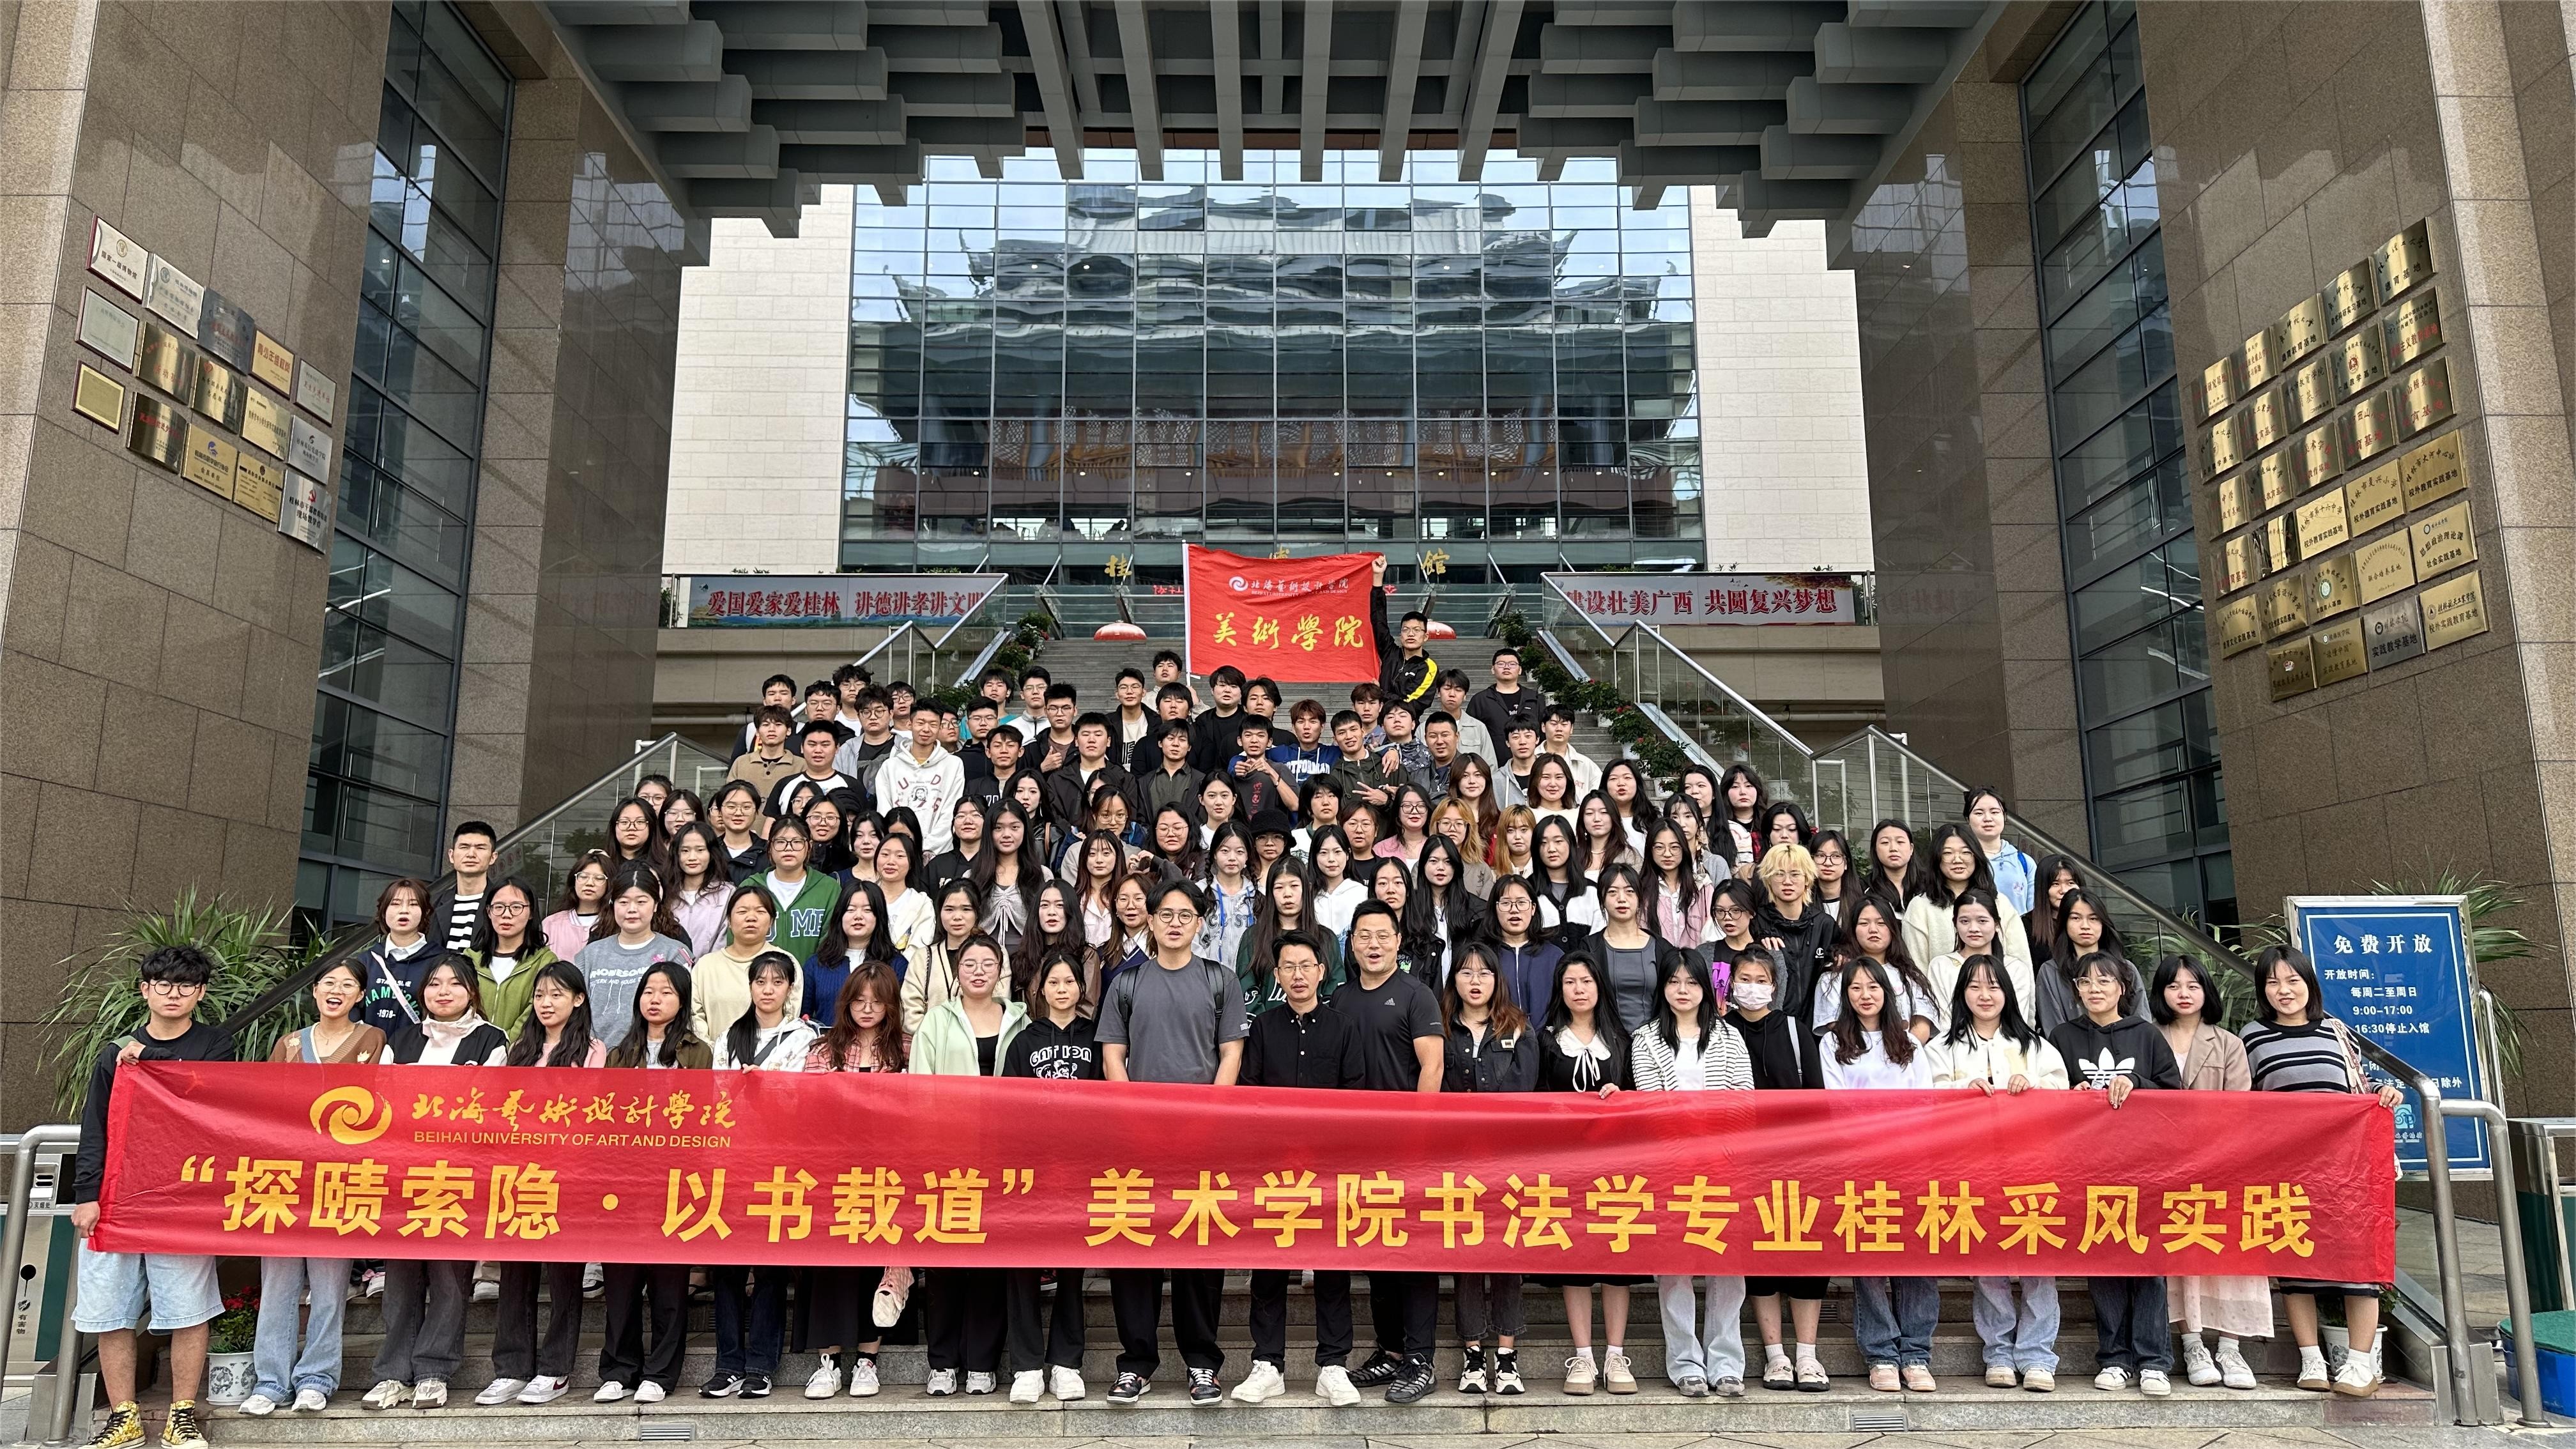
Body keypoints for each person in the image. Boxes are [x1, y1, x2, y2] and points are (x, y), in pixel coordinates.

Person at [65, 944, 229, 1449]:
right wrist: (87, 1194)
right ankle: (124, 1418)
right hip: (116, 1195)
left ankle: (182, 1415)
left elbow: (208, 1097)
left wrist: (149, 1059)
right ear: (145, 990)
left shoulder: (215, 1045)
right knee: (109, 1310)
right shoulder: (114, 1052)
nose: (173, 994)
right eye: (163, 984)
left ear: (201, 993)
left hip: (184, 1195)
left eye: (185, 985)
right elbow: (95, 1127)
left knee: (189, 1308)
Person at [1097, 880, 1248, 1403]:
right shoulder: (1127, 983)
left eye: (1186, 915)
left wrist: (1209, 1116)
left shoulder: (1220, 980)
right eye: (1166, 914)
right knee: (1134, 1246)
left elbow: (1231, 1054)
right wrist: (1135, 1118)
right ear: (1150, 920)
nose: (1176, 923)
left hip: (1204, 1137)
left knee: (1199, 1252)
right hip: (1137, 1138)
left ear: (1199, 923)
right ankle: (1135, 1363)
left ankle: (1202, 1363)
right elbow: (1113, 1056)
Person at [2239, 946, 2405, 1397]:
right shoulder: (2251, 1037)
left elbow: (2358, 1086)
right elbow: (2243, 1100)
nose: (2284, 990)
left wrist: (2384, 1093)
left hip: (2344, 1170)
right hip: (2285, 1166)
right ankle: (2311, 1359)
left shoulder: (2337, 1032)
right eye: (2273, 982)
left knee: (2358, 1262)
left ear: (2309, 984)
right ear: (2262, 990)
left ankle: (2360, 1365)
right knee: (2293, 1263)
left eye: (2292, 980)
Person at [1230, 928, 1368, 1407]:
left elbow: (1355, 1095)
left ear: (1322, 971)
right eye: (1288, 967)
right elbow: (1250, 1094)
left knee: (1332, 1267)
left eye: (1306, 965)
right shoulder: (1263, 1028)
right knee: (1269, 1268)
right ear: (1277, 974)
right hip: (1275, 1169)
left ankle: (1333, 1365)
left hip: (1330, 1169)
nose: (1298, 975)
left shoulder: (1343, 1027)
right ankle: (1268, 1364)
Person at [359, 955, 504, 1411]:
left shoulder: (491, 1040)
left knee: (448, 1278)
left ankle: (434, 1371)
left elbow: (488, 1106)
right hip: (403, 1173)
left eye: (455, 984)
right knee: (401, 1279)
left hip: (457, 1175)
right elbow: (382, 1102)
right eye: (435, 983)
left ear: (471, 992)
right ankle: (392, 1373)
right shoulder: (401, 1039)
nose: (444, 992)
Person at [242, 956, 381, 1404]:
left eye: (348, 984)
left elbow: (382, 1103)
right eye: (328, 983)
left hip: (341, 1178)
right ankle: (270, 1381)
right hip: (285, 1177)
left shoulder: (373, 1039)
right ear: (315, 991)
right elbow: (265, 1106)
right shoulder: (288, 1044)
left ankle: (317, 1379)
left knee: (329, 1286)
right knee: (278, 1284)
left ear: (361, 995)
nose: (336, 991)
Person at [1327, 900, 1449, 1403]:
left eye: (1383, 935)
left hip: (1408, 1147)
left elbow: (1433, 1067)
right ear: (1351, 943)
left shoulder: (1416, 994)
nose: (1373, 944)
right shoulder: (1339, 997)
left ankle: (1420, 1359)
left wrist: (1417, 1135)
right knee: (1376, 1248)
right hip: (1356, 1149)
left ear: (1398, 942)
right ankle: (1391, 1351)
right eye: (1364, 936)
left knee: (1413, 1253)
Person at [1930, 954, 2070, 1393]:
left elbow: (2063, 1091)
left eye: (1993, 986)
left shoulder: (2035, 1046)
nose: (1985, 995)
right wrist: (1963, 1090)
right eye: (1974, 987)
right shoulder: (1943, 1047)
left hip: (2032, 1166)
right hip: (1973, 1167)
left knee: (2037, 1258)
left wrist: (2033, 1087)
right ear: (1961, 994)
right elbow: (1927, 1095)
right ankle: (1999, 1354)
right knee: (1988, 1260)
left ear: (2008, 992)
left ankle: (2038, 1355)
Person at [2048, 950, 2182, 1397]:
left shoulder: (2147, 1035)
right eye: (2085, 982)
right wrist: (2071, 1096)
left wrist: (2138, 1085)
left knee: (2148, 1260)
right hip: (2088, 1165)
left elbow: (2176, 1096)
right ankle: (2114, 1358)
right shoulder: (2062, 1037)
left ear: (2122, 988)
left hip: (2144, 1164)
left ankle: (2154, 1360)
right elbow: (2047, 1098)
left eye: (2104, 981)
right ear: (2076, 990)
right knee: (2103, 1259)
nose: (2095, 989)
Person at [479, 962, 603, 1408]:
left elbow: (588, 1110)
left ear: (578, 999)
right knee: (516, 1274)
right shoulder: (519, 1049)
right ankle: (511, 1368)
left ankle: (555, 1369)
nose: (546, 1004)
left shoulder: (593, 1050)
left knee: (564, 1276)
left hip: (568, 1175)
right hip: (518, 1175)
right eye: (539, 996)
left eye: (556, 995)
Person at [1633, 951, 1755, 1399]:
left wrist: (1713, 1141)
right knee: (1674, 1268)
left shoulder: (1729, 1036)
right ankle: (1685, 1363)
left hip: (1724, 1166)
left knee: (1728, 1267)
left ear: (1706, 987)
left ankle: (1726, 1364)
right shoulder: (1645, 1039)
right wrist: (1692, 1135)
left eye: (1692, 982)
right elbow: (1653, 1107)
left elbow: (1743, 1102)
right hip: (1670, 1168)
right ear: (1663, 987)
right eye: (1674, 981)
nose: (1682, 990)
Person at [908, 934, 1024, 1396]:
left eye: (987, 963)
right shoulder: (937, 1021)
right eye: (969, 963)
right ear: (957, 971)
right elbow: (920, 1089)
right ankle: (943, 1363)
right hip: (949, 1157)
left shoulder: (1020, 1020)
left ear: (1001, 971)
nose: (978, 971)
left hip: (1003, 1158)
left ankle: (982, 1362)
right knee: (945, 1262)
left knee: (991, 1262)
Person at [1820, 960, 1939, 1392]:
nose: (1865, 995)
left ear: (1887, 992)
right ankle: (1881, 1353)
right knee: (1869, 1257)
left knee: (1917, 1255)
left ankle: (1917, 1352)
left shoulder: (1909, 1043)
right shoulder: (1834, 1041)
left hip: (1910, 1161)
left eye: (1873, 987)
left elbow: (1924, 1102)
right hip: (1859, 1162)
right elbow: (1836, 1103)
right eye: (1855, 988)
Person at [2152, 953, 2269, 1391]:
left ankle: (2231, 1347)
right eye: (2173, 986)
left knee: (2229, 1251)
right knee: (2182, 1249)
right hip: (2164, 1165)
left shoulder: (2228, 1043)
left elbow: (2239, 1108)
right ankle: (2193, 1343)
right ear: (2160, 993)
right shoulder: (2148, 1036)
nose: (2183, 994)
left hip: (2222, 1163)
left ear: (2207, 991)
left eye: (2193, 985)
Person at [594, 963, 709, 1405]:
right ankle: (619, 1369)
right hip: (625, 1181)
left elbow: (703, 1115)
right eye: (648, 991)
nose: (655, 999)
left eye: (666, 992)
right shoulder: (621, 1053)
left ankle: (660, 1373)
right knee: (621, 1282)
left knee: (668, 1285)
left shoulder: (697, 1052)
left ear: (682, 1001)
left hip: (675, 1181)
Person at [799, 963, 906, 1399]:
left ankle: (867, 1360)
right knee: (831, 1265)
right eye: (859, 1000)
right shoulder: (824, 1050)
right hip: (833, 1173)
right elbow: (809, 1109)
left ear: (890, 1005)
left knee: (873, 1265)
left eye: (877, 1001)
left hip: (887, 1173)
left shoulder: (907, 1048)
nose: (867, 1009)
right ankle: (828, 1363)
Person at [1724, 947, 1826, 1389]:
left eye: (1761, 979)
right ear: (1731, 984)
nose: (1752, 987)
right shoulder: (1721, 1032)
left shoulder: (1795, 1030)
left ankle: (1808, 1355)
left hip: (1798, 1159)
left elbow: (1816, 1097)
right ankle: (1776, 1356)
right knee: (1759, 1255)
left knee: (1806, 1254)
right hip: (1743, 1164)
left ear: (1774, 985)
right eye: (1744, 979)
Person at [1000, 949, 1100, 1402]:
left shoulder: (1098, 1038)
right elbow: (1009, 1108)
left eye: (1070, 982)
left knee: (1073, 1267)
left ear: (1081, 988)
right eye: (1054, 982)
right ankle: (1026, 1366)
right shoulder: (1024, 1041)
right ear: (1040, 989)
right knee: (1022, 1263)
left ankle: (1066, 1363)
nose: (1062, 989)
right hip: (1032, 1169)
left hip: (1080, 1169)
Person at [1438, 944, 1537, 1395]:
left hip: (1508, 1162)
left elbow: (1523, 1091)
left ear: (1498, 980)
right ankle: (1473, 1354)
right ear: (1454, 979)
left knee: (1507, 1252)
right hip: (1457, 1161)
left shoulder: (1518, 1027)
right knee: (1467, 1254)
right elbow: (1438, 1089)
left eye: (1484, 973)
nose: (1475, 981)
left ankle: (1507, 1355)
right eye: (1466, 972)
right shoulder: (1441, 1028)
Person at [1534, 953, 1635, 1393]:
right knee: (1574, 1258)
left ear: (1600, 987)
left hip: (1617, 1168)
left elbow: (1641, 1096)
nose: (1578, 989)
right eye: (1570, 982)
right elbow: (1534, 1097)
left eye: (1586, 981)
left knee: (1616, 1257)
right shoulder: (1546, 1040)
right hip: (1566, 1167)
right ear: (1560, 990)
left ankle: (1615, 1355)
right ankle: (1583, 1357)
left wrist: (1622, 1096)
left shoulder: (1623, 1039)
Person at [573, 866, 695, 1051]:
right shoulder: (590, 954)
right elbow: (575, 1011)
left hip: (655, 1058)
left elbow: (686, 1012)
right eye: (623, 902)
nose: (632, 909)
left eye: (641, 902)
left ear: (655, 905)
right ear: (613, 904)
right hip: (594, 1058)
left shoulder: (675, 953)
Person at [1903, 824, 2034, 975]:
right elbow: (1916, 970)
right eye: (1948, 853)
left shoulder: (2000, 903)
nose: (1957, 859)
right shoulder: (1920, 907)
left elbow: (2021, 962)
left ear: (1976, 856)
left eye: (1966, 852)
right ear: (1937, 859)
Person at [1811, 894, 1941, 1042]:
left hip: (1905, 1052)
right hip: (1855, 1052)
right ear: (1853, 929)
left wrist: (1902, 1050)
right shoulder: (1834, 976)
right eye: (1864, 923)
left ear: (1892, 928)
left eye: (1881, 923)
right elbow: (1835, 1025)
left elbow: (1922, 1025)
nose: (1873, 929)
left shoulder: (1909, 975)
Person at [1238, 860, 1344, 1013]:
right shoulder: (1254, 937)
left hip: (1318, 1026)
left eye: (1294, 886)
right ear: (1270, 892)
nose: (1287, 894)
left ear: (1307, 889)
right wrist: (1265, 1023)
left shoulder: (1326, 939)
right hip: (1266, 1026)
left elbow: (1335, 992)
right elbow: (1246, 989)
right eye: (1279, 887)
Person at [1922, 888, 2034, 1028]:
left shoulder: (2015, 968)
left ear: (1997, 924)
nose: (1973, 928)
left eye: (1982, 921)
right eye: (1965, 921)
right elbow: (1946, 1023)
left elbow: (2016, 1020)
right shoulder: (1941, 966)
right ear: (1955, 924)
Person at [2035, 887, 2142, 1032]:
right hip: (2070, 1046)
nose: (2085, 926)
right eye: (2076, 918)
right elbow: (2054, 1030)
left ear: (2103, 923)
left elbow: (2142, 1024)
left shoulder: (2126, 969)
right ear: (2064, 923)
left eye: (2093, 919)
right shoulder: (2050, 972)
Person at [1581, 863, 1666, 1033]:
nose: (1622, 899)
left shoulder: (1661, 948)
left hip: (1655, 1041)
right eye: (1613, 892)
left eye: (1630, 891)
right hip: (1605, 1040)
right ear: (1602, 900)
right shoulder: (1590, 948)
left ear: (1640, 898)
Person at [901, 878, 988, 1038]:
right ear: (939, 912)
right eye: (949, 909)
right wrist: (942, 1039)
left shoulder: (995, 955)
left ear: (977, 913)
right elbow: (909, 1012)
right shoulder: (923, 957)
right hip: (930, 1045)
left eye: (966, 909)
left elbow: (997, 1004)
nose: (957, 917)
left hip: (979, 1045)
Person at [467, 876, 555, 1035]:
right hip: (472, 1047)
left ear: (531, 913)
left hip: (521, 1048)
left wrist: (505, 1043)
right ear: (489, 912)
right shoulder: (469, 959)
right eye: (499, 907)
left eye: (516, 907)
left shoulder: (545, 962)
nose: (506, 914)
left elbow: (536, 1013)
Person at [355, 877, 435, 1038]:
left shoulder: (439, 962)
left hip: (417, 1050)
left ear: (425, 912)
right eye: (395, 904)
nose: (404, 910)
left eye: (413, 904)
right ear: (383, 912)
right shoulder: (366, 961)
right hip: (369, 1050)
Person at [1965, 786, 2037, 916]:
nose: (1988, 818)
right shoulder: (1961, 861)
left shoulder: (2024, 862)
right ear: (1967, 819)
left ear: (2004, 816)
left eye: (1995, 812)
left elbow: (2034, 913)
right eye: (1979, 813)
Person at [427, 820, 498, 952]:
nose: (471, 854)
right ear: (451, 855)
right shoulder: (432, 904)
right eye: (464, 847)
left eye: (480, 848)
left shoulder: (502, 905)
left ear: (493, 857)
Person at [668, 821, 734, 956]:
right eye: (685, 851)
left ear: (711, 853)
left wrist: (705, 966)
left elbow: (725, 942)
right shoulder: (666, 894)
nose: (692, 857)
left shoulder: (727, 894)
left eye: (700, 850)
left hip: (712, 967)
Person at [726, 705, 802, 808]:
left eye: (778, 724)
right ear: (757, 731)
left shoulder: (801, 765)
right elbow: (729, 799)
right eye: (766, 725)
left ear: (788, 730)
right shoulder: (741, 763)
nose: (772, 729)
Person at [1468, 644, 1543, 748]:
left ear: (1520, 670)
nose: (1507, 667)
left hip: (1531, 758)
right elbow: (1471, 735)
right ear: (1493, 669)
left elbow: (1544, 733)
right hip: (1492, 758)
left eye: (1512, 664)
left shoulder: (1535, 699)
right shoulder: (1480, 700)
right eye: (1501, 664)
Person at [731, 674, 800, 759]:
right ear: (764, 701)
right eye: (772, 694)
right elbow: (735, 764)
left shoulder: (804, 731)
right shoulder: (750, 730)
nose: (777, 698)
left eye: (783, 693)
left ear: (793, 700)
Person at [1715, 765, 1763, 877]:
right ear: (1725, 792)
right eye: (1735, 787)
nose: (1743, 792)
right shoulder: (1718, 827)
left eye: (1748, 786)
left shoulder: (1769, 824)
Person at [710, 780, 769, 874]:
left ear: (756, 812)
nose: (738, 813)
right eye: (731, 807)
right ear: (720, 811)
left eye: (746, 807)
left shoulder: (769, 851)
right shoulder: (710, 850)